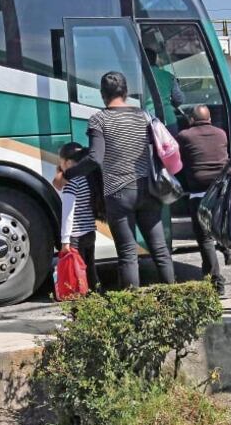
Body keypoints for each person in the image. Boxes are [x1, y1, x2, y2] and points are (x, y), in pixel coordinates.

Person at [56, 71, 175, 289]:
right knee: (159, 249)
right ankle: (175, 300)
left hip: (119, 194)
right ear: (126, 91)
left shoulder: (99, 120)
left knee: (128, 254)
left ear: (103, 94)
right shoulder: (143, 115)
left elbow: (94, 158)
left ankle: (130, 309)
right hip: (148, 189)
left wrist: (66, 175)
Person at [175, 104, 230, 293]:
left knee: (205, 239)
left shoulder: (185, 136)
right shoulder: (221, 133)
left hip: (198, 195)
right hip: (221, 192)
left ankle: (216, 283)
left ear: (191, 119)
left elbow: (178, 163)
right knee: (218, 228)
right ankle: (226, 248)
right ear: (210, 119)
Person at [57, 142, 106, 292]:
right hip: (90, 232)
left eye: (61, 164)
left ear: (68, 162)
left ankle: (80, 296)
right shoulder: (89, 180)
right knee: (90, 266)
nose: (60, 168)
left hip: (75, 236)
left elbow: (68, 214)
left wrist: (65, 240)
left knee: (78, 270)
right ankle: (96, 292)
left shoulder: (72, 183)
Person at [145, 47, 184, 128]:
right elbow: (179, 99)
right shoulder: (169, 76)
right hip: (169, 120)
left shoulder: (138, 78)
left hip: (148, 121)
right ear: (155, 59)